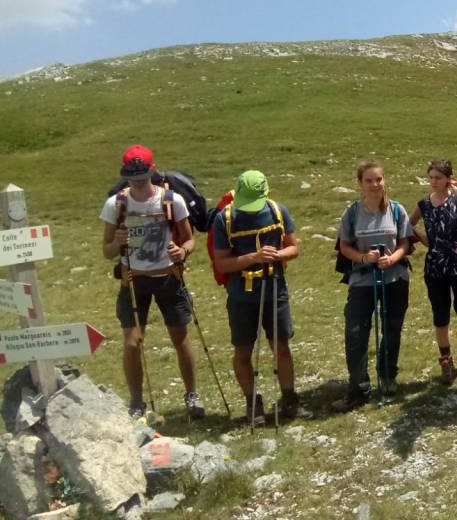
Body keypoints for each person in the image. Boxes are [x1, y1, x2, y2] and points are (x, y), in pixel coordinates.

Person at [100, 144, 204, 421]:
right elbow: (106, 250)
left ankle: (192, 395)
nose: (138, 182)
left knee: (180, 338)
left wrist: (183, 251)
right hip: (133, 279)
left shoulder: (172, 200)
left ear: (152, 170)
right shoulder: (116, 205)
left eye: (142, 177)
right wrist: (117, 243)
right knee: (133, 343)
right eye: (132, 178)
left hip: (168, 276)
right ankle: (136, 400)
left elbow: (189, 238)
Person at [211, 170, 308, 422]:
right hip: (242, 294)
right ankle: (253, 403)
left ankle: (289, 399)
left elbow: (294, 247)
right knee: (243, 351)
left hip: (275, 288)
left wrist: (277, 255)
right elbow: (222, 264)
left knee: (281, 347)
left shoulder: (277, 211)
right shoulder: (225, 219)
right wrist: (254, 257)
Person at [333, 160, 414, 412]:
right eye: (368, 180)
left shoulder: (397, 210)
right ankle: (359, 387)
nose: (374, 184)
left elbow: (404, 242)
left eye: (378, 179)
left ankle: (387, 376)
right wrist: (363, 258)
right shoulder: (352, 212)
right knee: (356, 332)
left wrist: (393, 258)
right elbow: (344, 246)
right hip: (362, 280)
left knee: (391, 329)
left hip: (394, 278)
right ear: (360, 183)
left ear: (383, 180)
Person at [410, 159, 457, 385]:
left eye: (438, 177)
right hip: (435, 267)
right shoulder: (424, 204)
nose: (434, 182)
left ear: (449, 178)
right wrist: (422, 238)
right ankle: (445, 358)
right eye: (431, 177)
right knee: (441, 315)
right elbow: (408, 223)